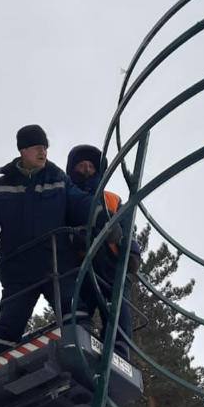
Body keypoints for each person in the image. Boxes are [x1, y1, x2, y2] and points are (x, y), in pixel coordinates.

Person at [0, 126, 97, 356]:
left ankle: (86, 354)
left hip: (57, 263)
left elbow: (82, 204)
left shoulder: (58, 178)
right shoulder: (1, 187)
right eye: (37, 148)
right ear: (23, 150)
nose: (43, 153)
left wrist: (106, 221)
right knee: (8, 328)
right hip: (18, 269)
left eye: (45, 148)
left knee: (74, 311)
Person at [65, 145, 141, 360]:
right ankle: (79, 335)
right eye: (81, 165)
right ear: (73, 169)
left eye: (90, 166)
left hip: (111, 260)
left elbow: (127, 227)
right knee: (81, 299)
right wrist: (75, 237)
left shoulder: (111, 199)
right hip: (83, 260)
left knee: (117, 305)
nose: (87, 169)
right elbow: (63, 226)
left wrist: (132, 251)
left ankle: (119, 348)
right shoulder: (70, 198)